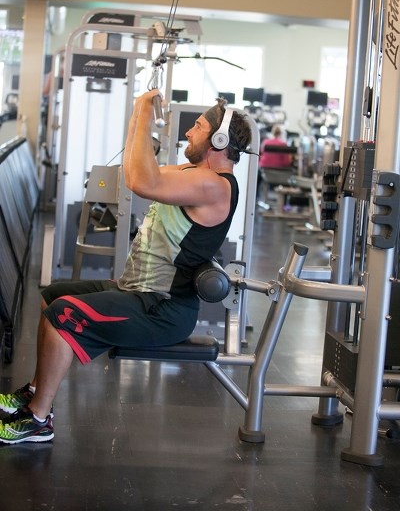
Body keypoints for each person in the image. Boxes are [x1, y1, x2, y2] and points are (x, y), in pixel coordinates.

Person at [0, 90, 252, 445]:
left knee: (62, 314)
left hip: (162, 309)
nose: (188, 133)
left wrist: (143, 112)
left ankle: (39, 419)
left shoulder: (214, 185)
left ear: (219, 139)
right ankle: (35, 392)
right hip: (140, 293)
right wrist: (137, 117)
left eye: (197, 127)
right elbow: (139, 172)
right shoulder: (195, 174)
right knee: (52, 297)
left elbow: (141, 182)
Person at [257, 125, 293, 202]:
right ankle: (285, 202)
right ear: (281, 134)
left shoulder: (265, 142)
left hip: (265, 172)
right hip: (279, 173)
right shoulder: (283, 144)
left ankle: (257, 199)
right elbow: (286, 162)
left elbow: (261, 156)